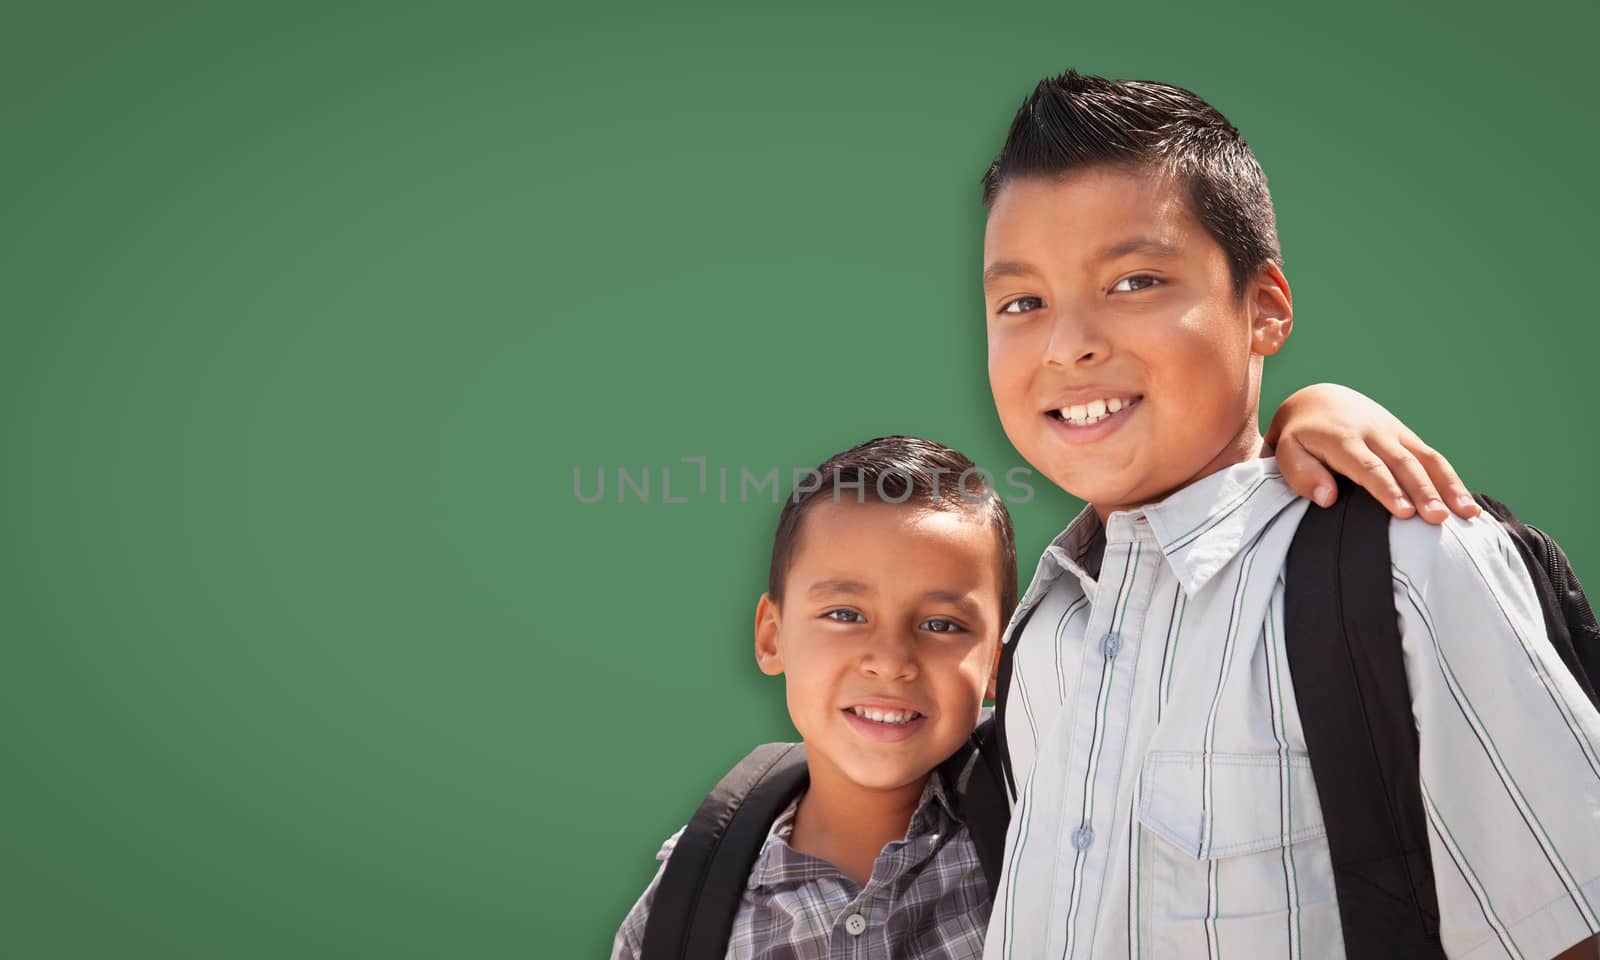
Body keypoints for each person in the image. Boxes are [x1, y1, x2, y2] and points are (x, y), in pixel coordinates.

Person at [979, 70, 1600, 959]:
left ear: (1264, 308)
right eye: (1020, 302)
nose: (1067, 341)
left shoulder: (1407, 566)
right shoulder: (1043, 637)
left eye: (1136, 280)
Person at [611, 401, 1483, 959]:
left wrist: (1305, 410)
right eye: (843, 614)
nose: (890, 659)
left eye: (944, 624)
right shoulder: (691, 900)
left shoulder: (1053, 831)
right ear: (771, 634)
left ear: (998, 666)